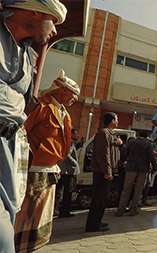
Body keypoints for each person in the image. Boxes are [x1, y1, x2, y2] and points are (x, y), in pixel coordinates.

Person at [0, 1, 66, 251]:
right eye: (54, 21)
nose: (56, 31)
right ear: (36, 11)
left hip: (10, 151)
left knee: (13, 217)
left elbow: (22, 115)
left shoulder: (28, 57)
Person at [15, 69, 79, 251]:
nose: (75, 98)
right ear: (62, 90)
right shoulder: (41, 106)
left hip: (50, 168)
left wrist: (56, 166)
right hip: (33, 169)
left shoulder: (64, 113)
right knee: (26, 213)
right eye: (73, 94)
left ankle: (34, 245)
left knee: (42, 212)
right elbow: (21, 133)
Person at [85, 112, 122, 232]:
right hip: (102, 172)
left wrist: (119, 143)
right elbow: (103, 154)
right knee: (98, 199)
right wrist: (107, 171)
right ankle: (93, 225)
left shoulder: (111, 134)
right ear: (112, 121)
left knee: (102, 199)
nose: (117, 122)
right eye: (116, 119)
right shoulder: (103, 133)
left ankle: (98, 221)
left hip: (106, 171)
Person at [116, 132, 157, 216]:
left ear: (138, 135)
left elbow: (126, 154)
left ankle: (120, 210)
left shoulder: (131, 142)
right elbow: (151, 157)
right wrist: (155, 168)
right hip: (143, 169)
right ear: (146, 137)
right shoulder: (148, 144)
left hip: (131, 168)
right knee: (138, 190)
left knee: (126, 189)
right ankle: (133, 210)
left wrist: (125, 162)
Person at [54, 128, 80, 218]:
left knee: (58, 191)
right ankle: (65, 211)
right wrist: (75, 163)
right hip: (68, 170)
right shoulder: (70, 142)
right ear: (71, 134)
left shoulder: (63, 140)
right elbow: (66, 155)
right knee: (67, 191)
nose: (78, 136)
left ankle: (55, 210)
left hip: (61, 169)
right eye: (76, 134)